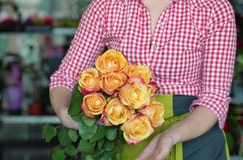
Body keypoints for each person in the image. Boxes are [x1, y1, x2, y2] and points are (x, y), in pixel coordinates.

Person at [49, 0, 237, 159]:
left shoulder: (213, 8)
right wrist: (65, 113)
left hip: (196, 137)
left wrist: (169, 137)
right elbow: (66, 77)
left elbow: (214, 99)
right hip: (129, 137)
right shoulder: (106, 6)